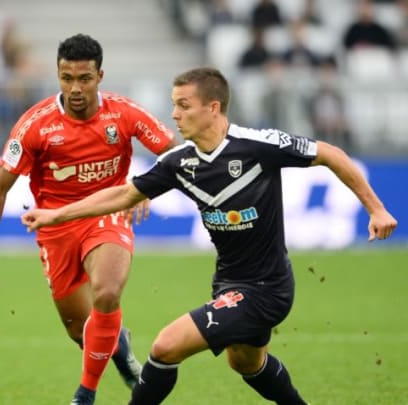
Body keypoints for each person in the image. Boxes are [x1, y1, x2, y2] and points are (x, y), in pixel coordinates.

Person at [21, 67, 397, 405]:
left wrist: (376, 208)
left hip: (266, 287)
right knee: (246, 363)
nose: (174, 114)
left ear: (212, 108)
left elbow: (330, 153)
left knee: (166, 346)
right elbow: (123, 194)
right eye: (173, 105)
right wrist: (55, 214)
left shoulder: (258, 145)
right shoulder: (179, 162)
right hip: (229, 282)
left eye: (184, 105)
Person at [0, 34, 177, 405]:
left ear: (100, 76)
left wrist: (145, 188)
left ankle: (84, 394)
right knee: (82, 332)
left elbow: (176, 152)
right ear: (58, 75)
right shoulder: (35, 125)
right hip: (55, 228)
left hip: (107, 214)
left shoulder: (124, 114)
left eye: (84, 79)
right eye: (66, 78)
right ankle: (123, 356)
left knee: (107, 292)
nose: (75, 88)